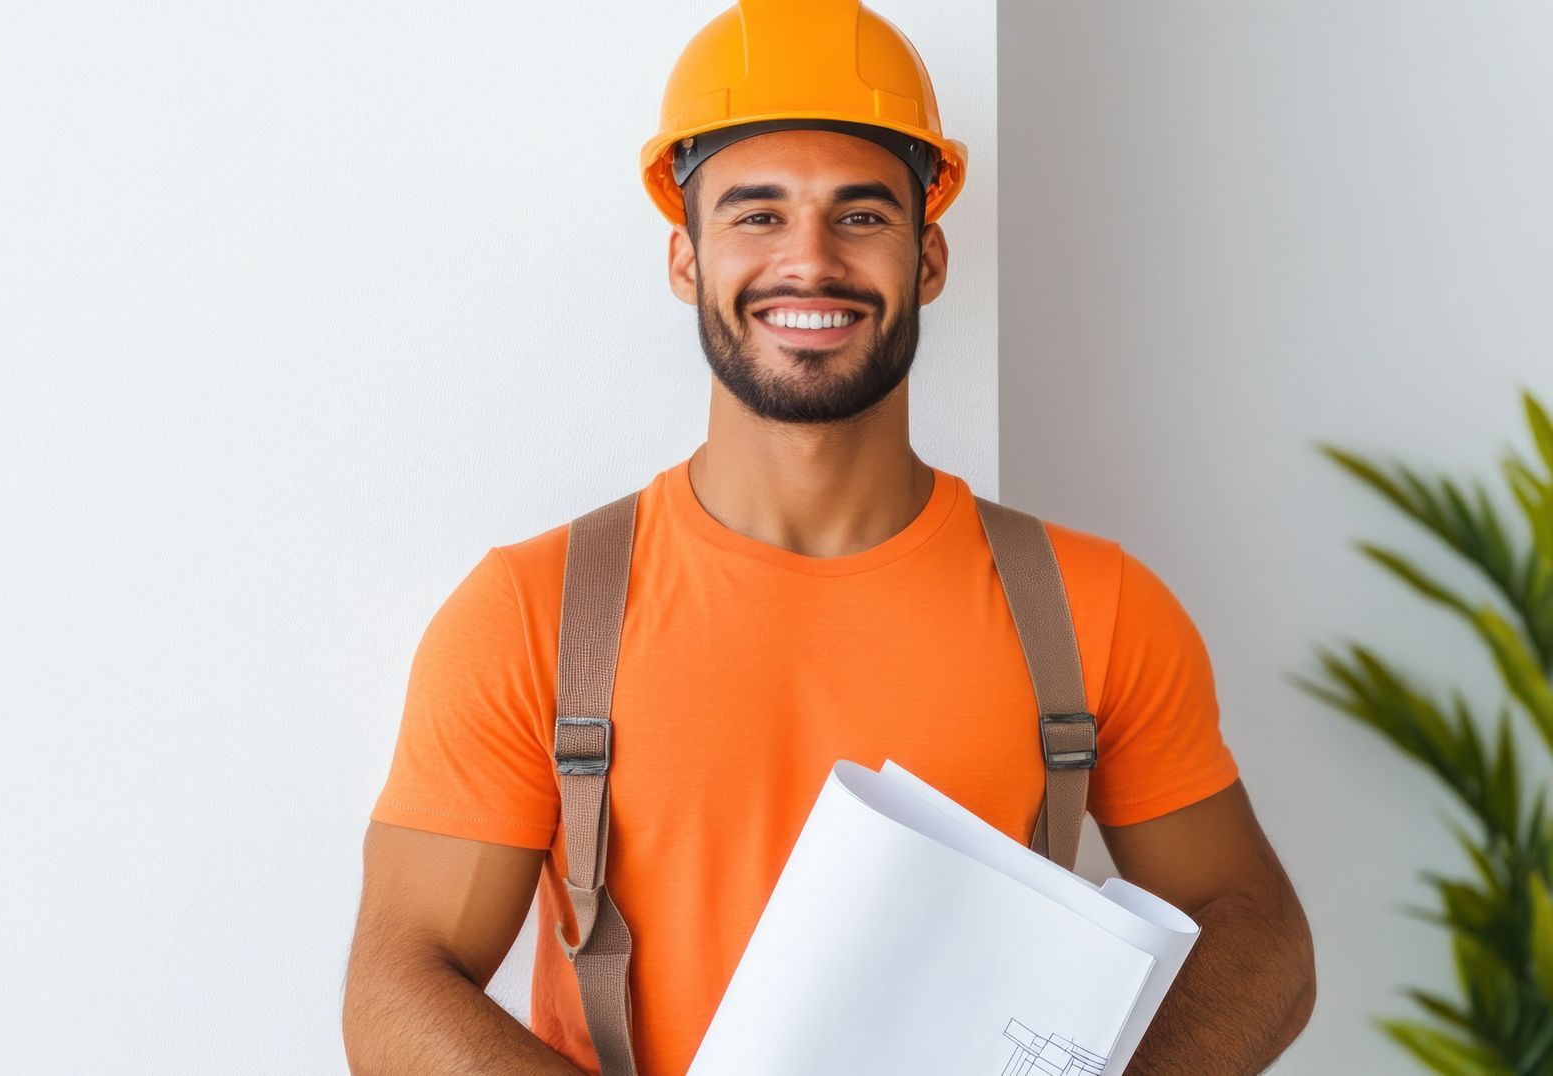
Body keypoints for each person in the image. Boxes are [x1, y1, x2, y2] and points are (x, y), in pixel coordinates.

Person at [341, 2, 1315, 1073]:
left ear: (929, 256)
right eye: (757, 215)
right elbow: (399, 987)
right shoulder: (534, 613)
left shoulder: (1094, 606)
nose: (809, 260)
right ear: (685, 257)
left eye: (860, 216)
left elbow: (1257, 933)